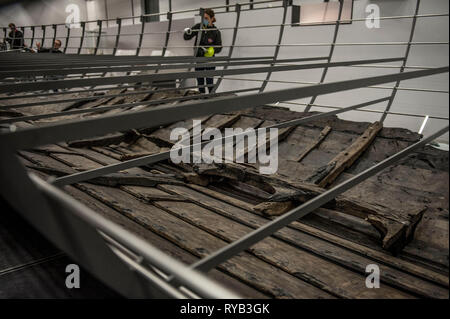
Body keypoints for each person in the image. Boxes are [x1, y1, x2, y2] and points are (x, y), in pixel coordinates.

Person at [184, 8, 222, 94]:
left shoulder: (216, 32)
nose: (204, 20)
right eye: (203, 18)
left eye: (206, 18)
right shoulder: (198, 27)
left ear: (212, 18)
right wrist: (187, 32)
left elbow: (219, 47)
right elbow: (186, 37)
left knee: (209, 81)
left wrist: (211, 50)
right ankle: (201, 100)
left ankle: (211, 99)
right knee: (200, 82)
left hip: (210, 59)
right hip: (198, 58)